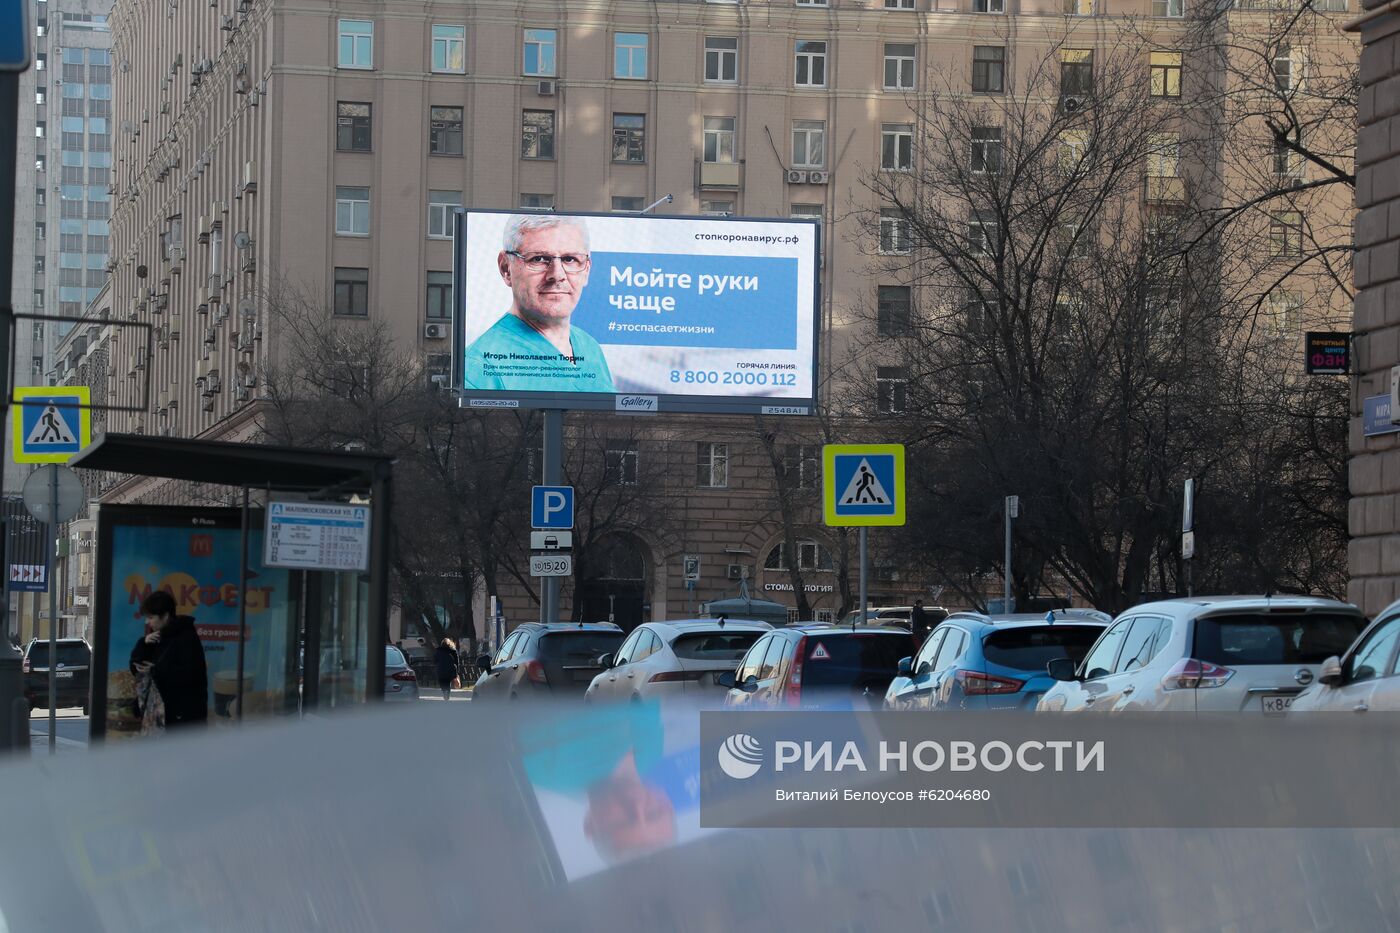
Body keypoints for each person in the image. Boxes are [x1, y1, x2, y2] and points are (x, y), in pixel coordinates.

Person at [463, 214, 616, 393]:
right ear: (506, 268)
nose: (557, 275)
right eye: (538, 259)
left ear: (586, 270)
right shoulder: (477, 368)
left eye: (569, 259)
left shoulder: (590, 348)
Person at [129, 590, 208, 732]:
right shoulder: (157, 637)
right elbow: (136, 667)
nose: (147, 622)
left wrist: (156, 670)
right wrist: (144, 643)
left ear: (165, 616)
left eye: (151, 617)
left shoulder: (186, 637)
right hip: (160, 717)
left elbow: (190, 674)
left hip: (182, 720)